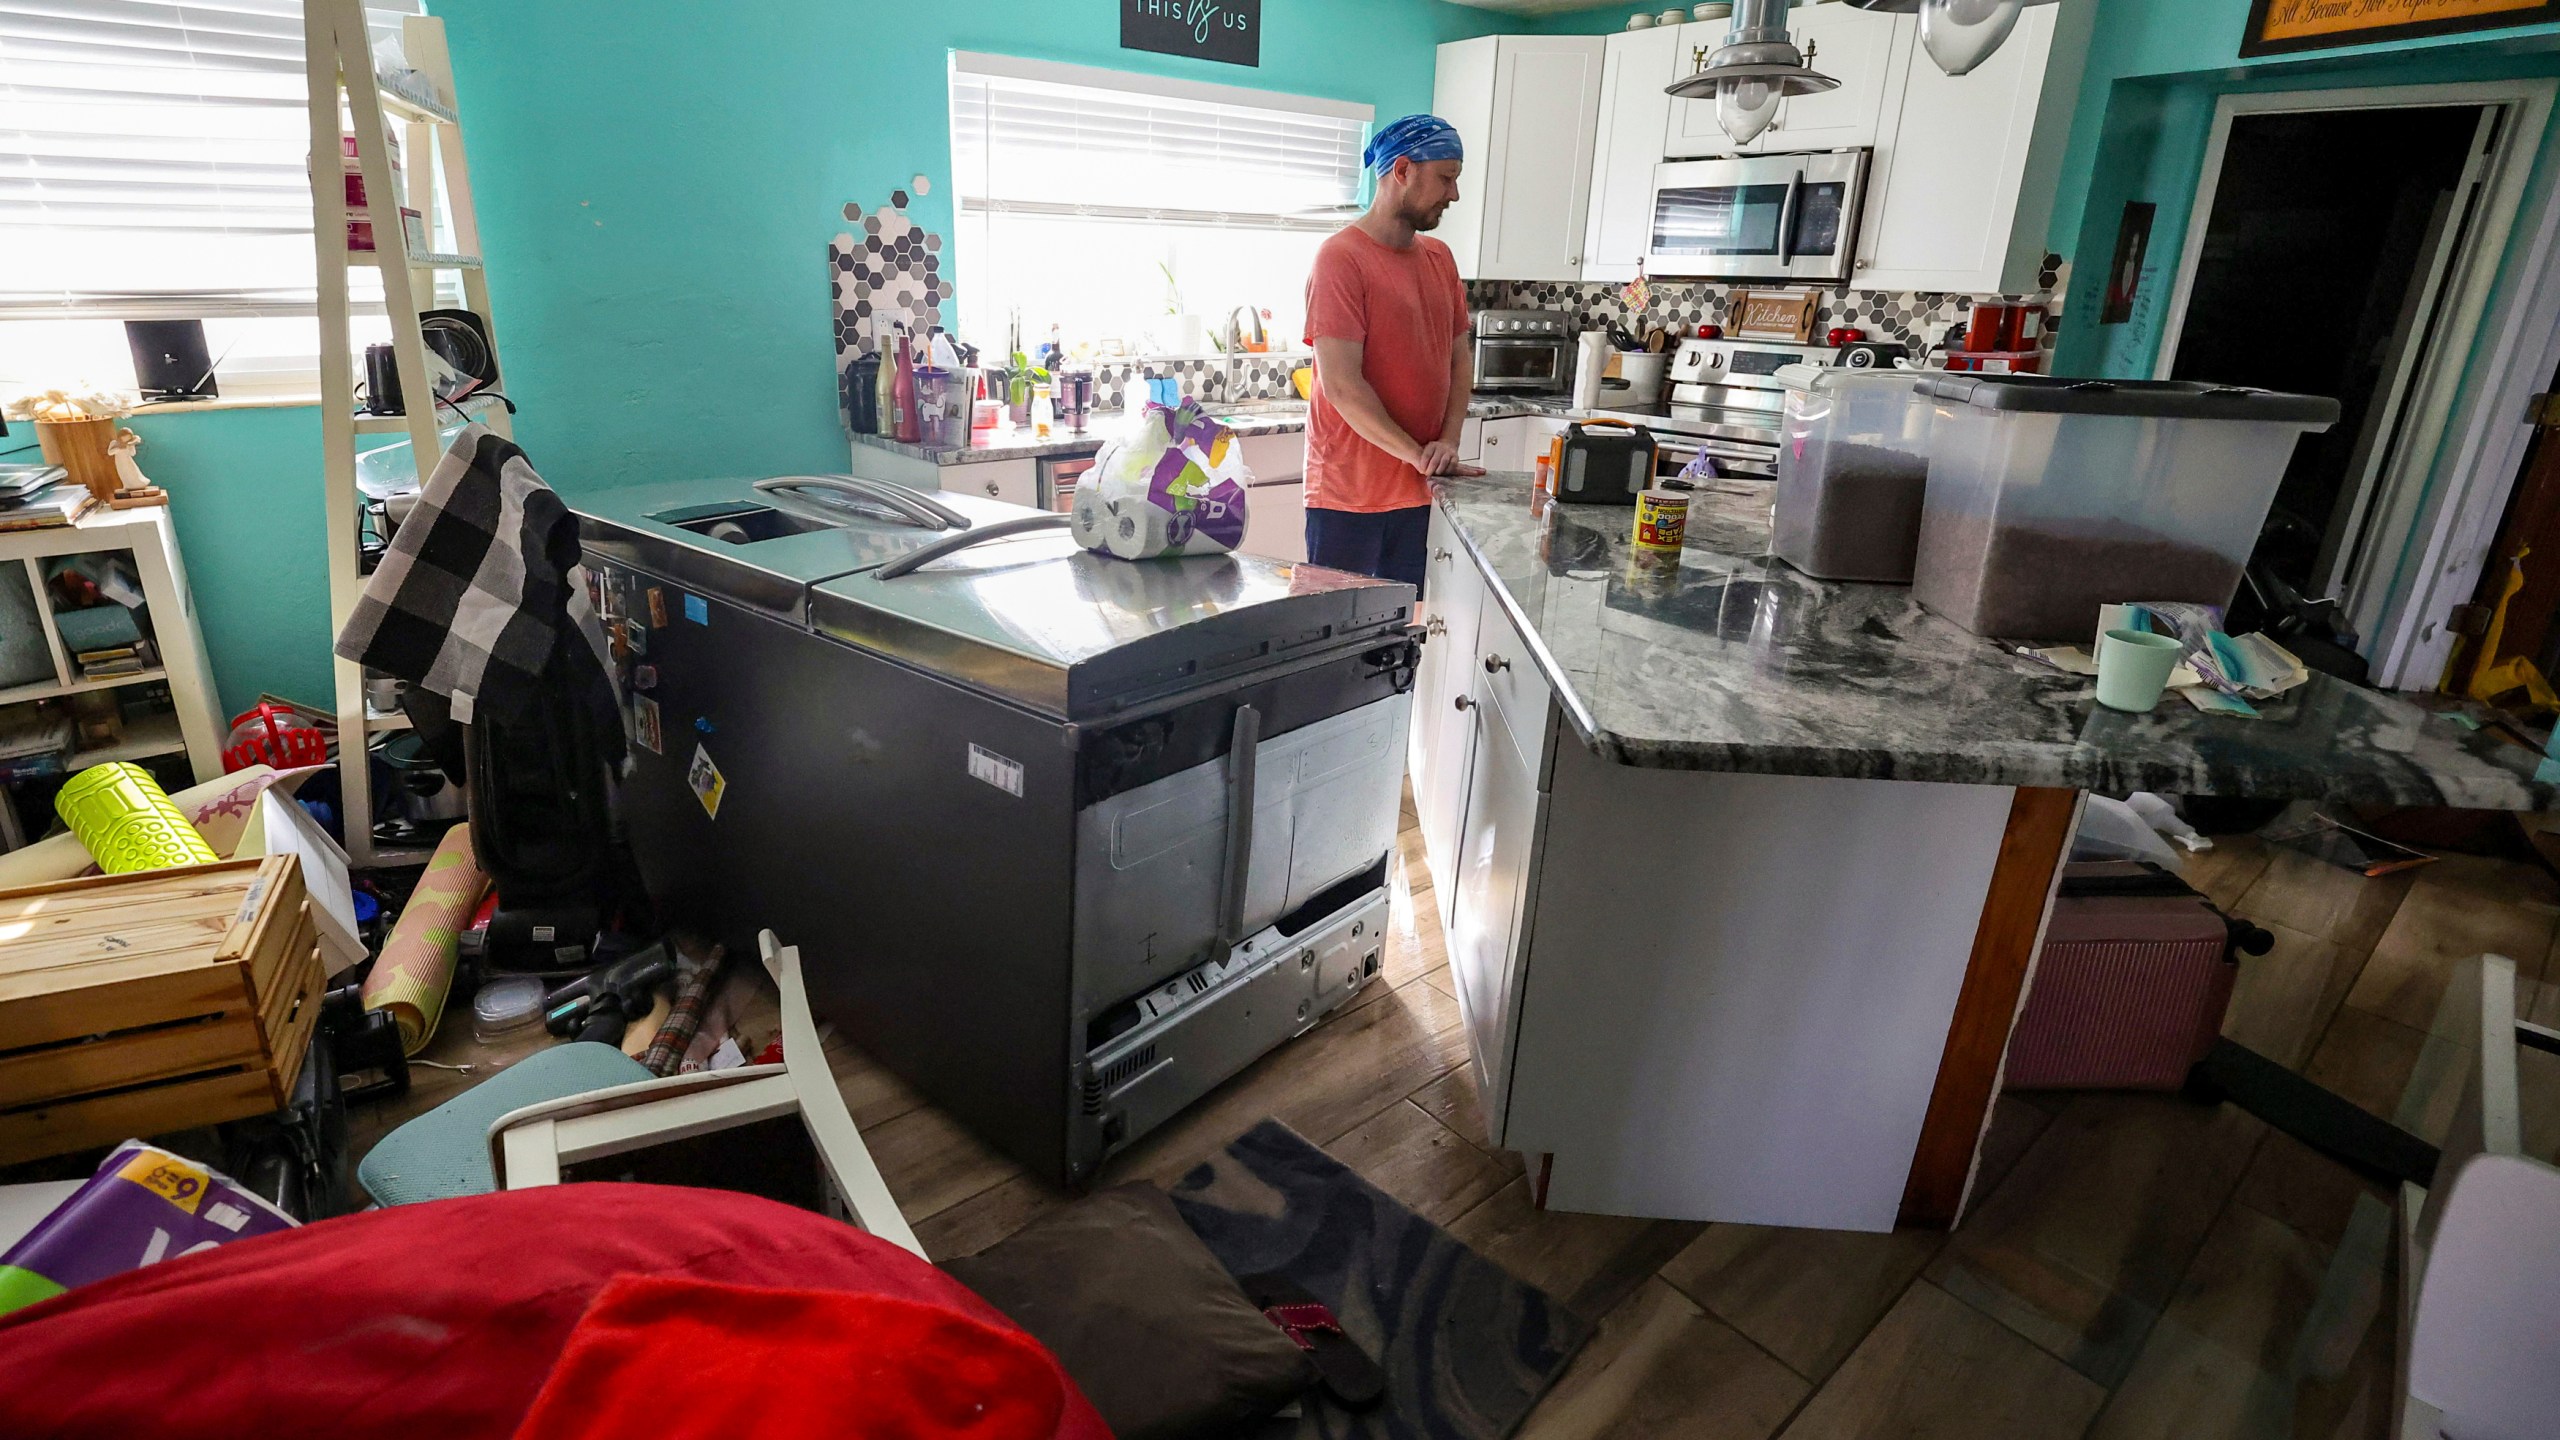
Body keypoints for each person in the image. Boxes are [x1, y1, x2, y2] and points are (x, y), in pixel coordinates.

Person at [1301, 114, 1484, 591]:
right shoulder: (1340, 259)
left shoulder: (1439, 258)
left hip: (1424, 494)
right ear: (1402, 170)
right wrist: (1419, 456)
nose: (1454, 194)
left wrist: (1447, 442)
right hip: (1349, 499)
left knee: (1410, 640)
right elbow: (1342, 386)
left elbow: (1458, 360)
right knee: (1345, 642)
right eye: (1445, 178)